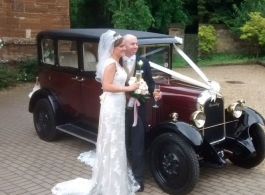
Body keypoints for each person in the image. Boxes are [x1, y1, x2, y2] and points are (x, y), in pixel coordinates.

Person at [51, 30, 140, 195]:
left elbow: (115, 84)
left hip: (117, 104)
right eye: (120, 46)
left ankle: (115, 180)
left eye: (123, 46)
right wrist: (127, 88)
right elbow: (106, 86)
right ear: (112, 48)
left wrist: (132, 92)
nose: (123, 49)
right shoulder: (111, 63)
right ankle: (110, 185)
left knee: (116, 141)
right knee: (112, 140)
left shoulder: (116, 62)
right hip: (112, 106)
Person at [123, 34, 162, 192]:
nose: (135, 46)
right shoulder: (116, 61)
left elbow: (150, 83)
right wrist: (125, 93)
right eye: (132, 44)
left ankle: (138, 180)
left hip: (139, 109)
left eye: (136, 43)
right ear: (123, 45)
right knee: (122, 143)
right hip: (120, 109)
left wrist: (154, 92)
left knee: (138, 144)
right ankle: (121, 175)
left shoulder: (143, 62)